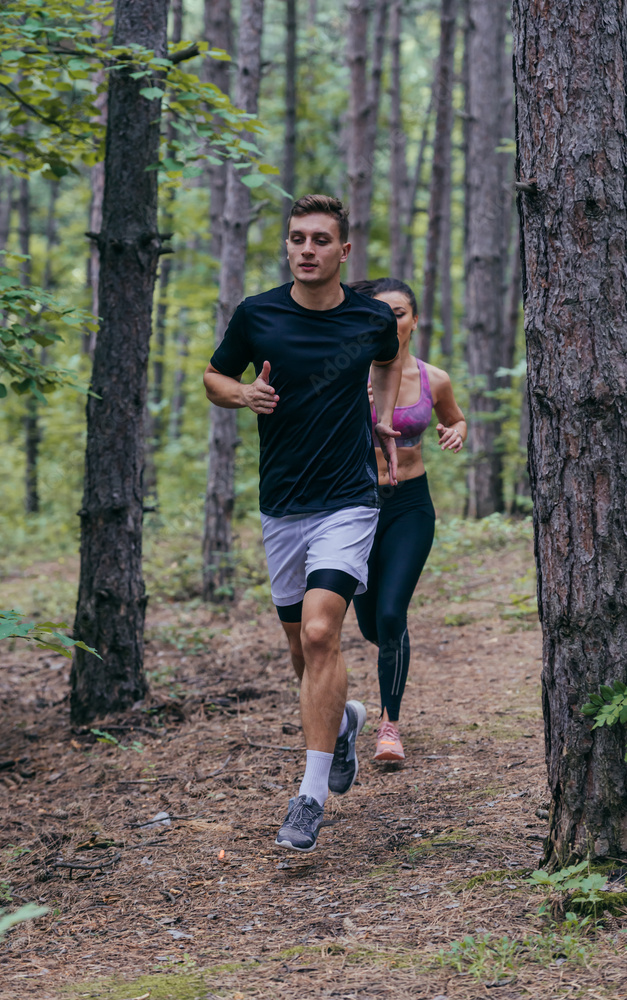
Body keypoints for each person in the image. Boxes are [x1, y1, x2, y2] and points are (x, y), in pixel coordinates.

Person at [203, 196, 402, 853]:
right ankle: (342, 721)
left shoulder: (371, 318)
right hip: (282, 504)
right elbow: (212, 376)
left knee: (322, 630)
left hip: (349, 498)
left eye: (320, 239)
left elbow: (388, 357)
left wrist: (380, 413)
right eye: (296, 238)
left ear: (344, 251)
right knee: (300, 651)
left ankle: (309, 795)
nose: (306, 249)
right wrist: (242, 394)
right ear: (287, 246)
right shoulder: (257, 314)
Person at [350, 277, 467, 762]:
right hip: (354, 506)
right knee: (374, 628)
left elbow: (457, 417)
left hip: (410, 505)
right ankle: (391, 648)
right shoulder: (349, 373)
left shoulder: (433, 378)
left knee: (393, 614)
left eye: (399, 312)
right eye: (380, 312)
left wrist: (454, 431)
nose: (390, 321)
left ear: (413, 320)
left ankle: (389, 726)